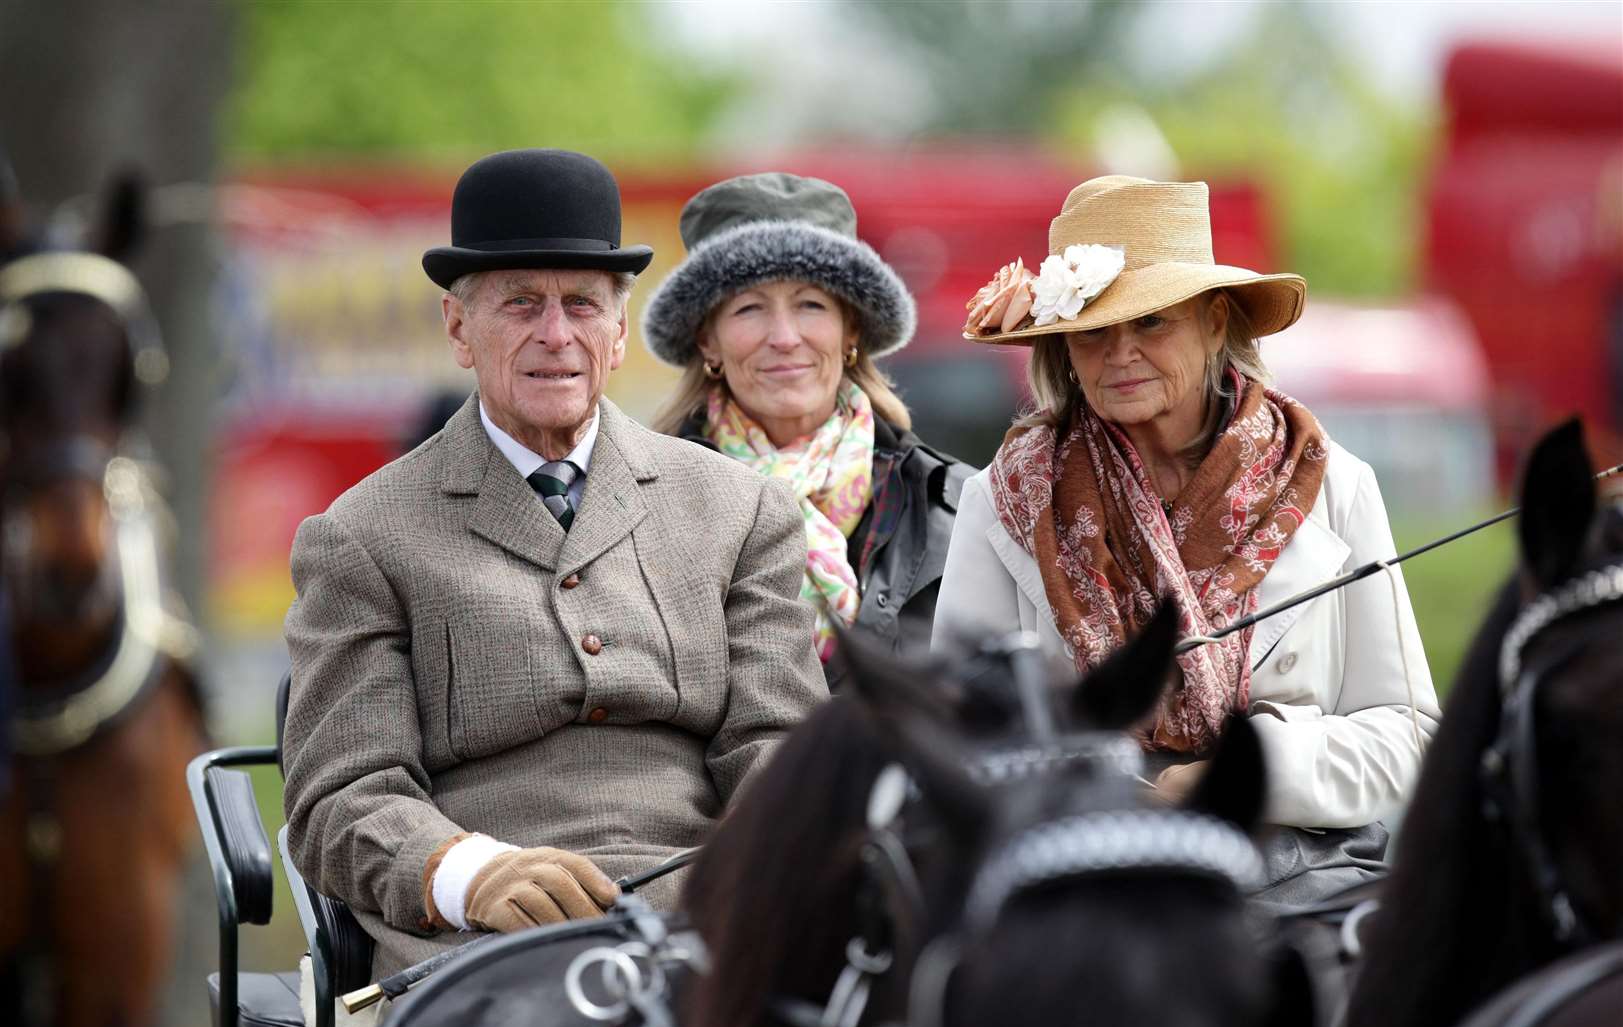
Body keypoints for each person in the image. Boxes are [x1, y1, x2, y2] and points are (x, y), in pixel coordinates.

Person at [281, 149, 827, 978]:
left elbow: (777, 747)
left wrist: (759, 885)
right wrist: (466, 874)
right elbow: (342, 796)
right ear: (459, 328)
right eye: (520, 304)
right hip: (479, 947)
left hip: (707, 917)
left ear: (617, 333)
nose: (555, 335)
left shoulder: (739, 510)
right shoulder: (362, 536)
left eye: (580, 304)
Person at [934, 175, 1440, 905]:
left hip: (1301, 871)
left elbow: (1406, 731)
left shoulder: (1332, 484)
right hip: (1078, 870)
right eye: (1093, 332)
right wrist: (1108, 793)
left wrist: (1240, 771)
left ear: (1214, 322)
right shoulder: (1006, 498)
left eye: (1150, 323)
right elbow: (965, 732)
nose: (1119, 355)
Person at [642, 173, 971, 680]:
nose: (784, 337)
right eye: (749, 308)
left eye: (810, 305)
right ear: (707, 340)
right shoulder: (642, 512)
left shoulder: (957, 507)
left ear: (851, 329)